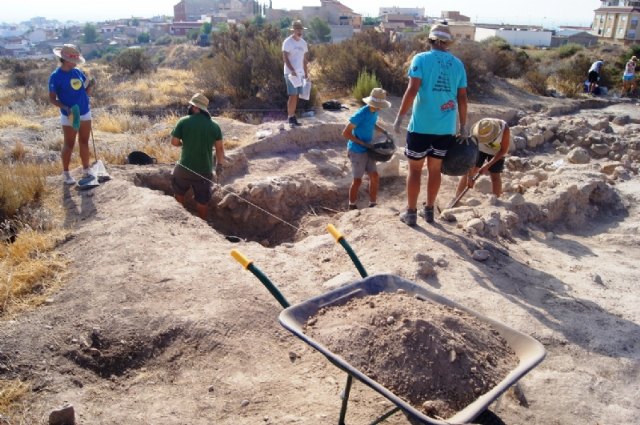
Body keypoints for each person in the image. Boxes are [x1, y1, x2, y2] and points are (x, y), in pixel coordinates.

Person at [392, 23, 468, 226]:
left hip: (421, 127)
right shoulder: (458, 64)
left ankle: (410, 213)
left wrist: (400, 116)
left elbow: (412, 89)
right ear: (447, 42)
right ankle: (429, 211)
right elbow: (462, 97)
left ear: (431, 40)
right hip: (445, 129)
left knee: (415, 171)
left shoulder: (421, 59)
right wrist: (464, 126)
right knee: (435, 170)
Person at [170, 93, 225, 220]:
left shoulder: (183, 121)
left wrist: (184, 143)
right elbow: (220, 149)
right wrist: (219, 165)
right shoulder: (214, 126)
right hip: (204, 171)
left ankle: (180, 220)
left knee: (179, 194)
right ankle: (202, 225)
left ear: (195, 107)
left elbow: (174, 142)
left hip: (184, 168)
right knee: (202, 200)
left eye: (191, 105)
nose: (189, 107)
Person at [48, 44, 95, 185]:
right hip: (69, 114)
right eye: (74, 61)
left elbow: (86, 91)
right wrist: (64, 107)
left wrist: (91, 85)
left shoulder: (78, 72)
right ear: (66, 60)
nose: (76, 63)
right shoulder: (56, 76)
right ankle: (66, 173)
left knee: (84, 141)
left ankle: (86, 169)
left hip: (84, 112)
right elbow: (52, 98)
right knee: (69, 144)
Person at [341, 88, 391, 210]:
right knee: (358, 180)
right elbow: (346, 133)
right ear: (372, 103)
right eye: (378, 105)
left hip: (368, 149)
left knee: (374, 176)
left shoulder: (375, 112)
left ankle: (373, 203)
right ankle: (352, 206)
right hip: (357, 151)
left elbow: (372, 124)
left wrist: (384, 131)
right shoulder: (360, 114)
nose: (380, 107)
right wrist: (362, 143)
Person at [455, 118, 510, 201]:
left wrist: (487, 165)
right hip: (480, 148)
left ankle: (496, 201)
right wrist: (470, 177)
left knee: (495, 175)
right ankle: (457, 197)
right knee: (468, 173)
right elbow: (471, 158)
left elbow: (504, 150)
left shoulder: (504, 129)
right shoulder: (478, 129)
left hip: (497, 150)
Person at [282, 20, 309, 127]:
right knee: (292, 95)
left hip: (300, 73)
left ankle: (293, 117)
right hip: (290, 73)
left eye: (300, 29)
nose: (299, 31)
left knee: (296, 95)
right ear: (293, 30)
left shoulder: (303, 43)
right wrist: (292, 70)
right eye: (297, 29)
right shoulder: (288, 42)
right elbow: (285, 57)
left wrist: (306, 74)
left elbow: (304, 60)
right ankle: (290, 117)